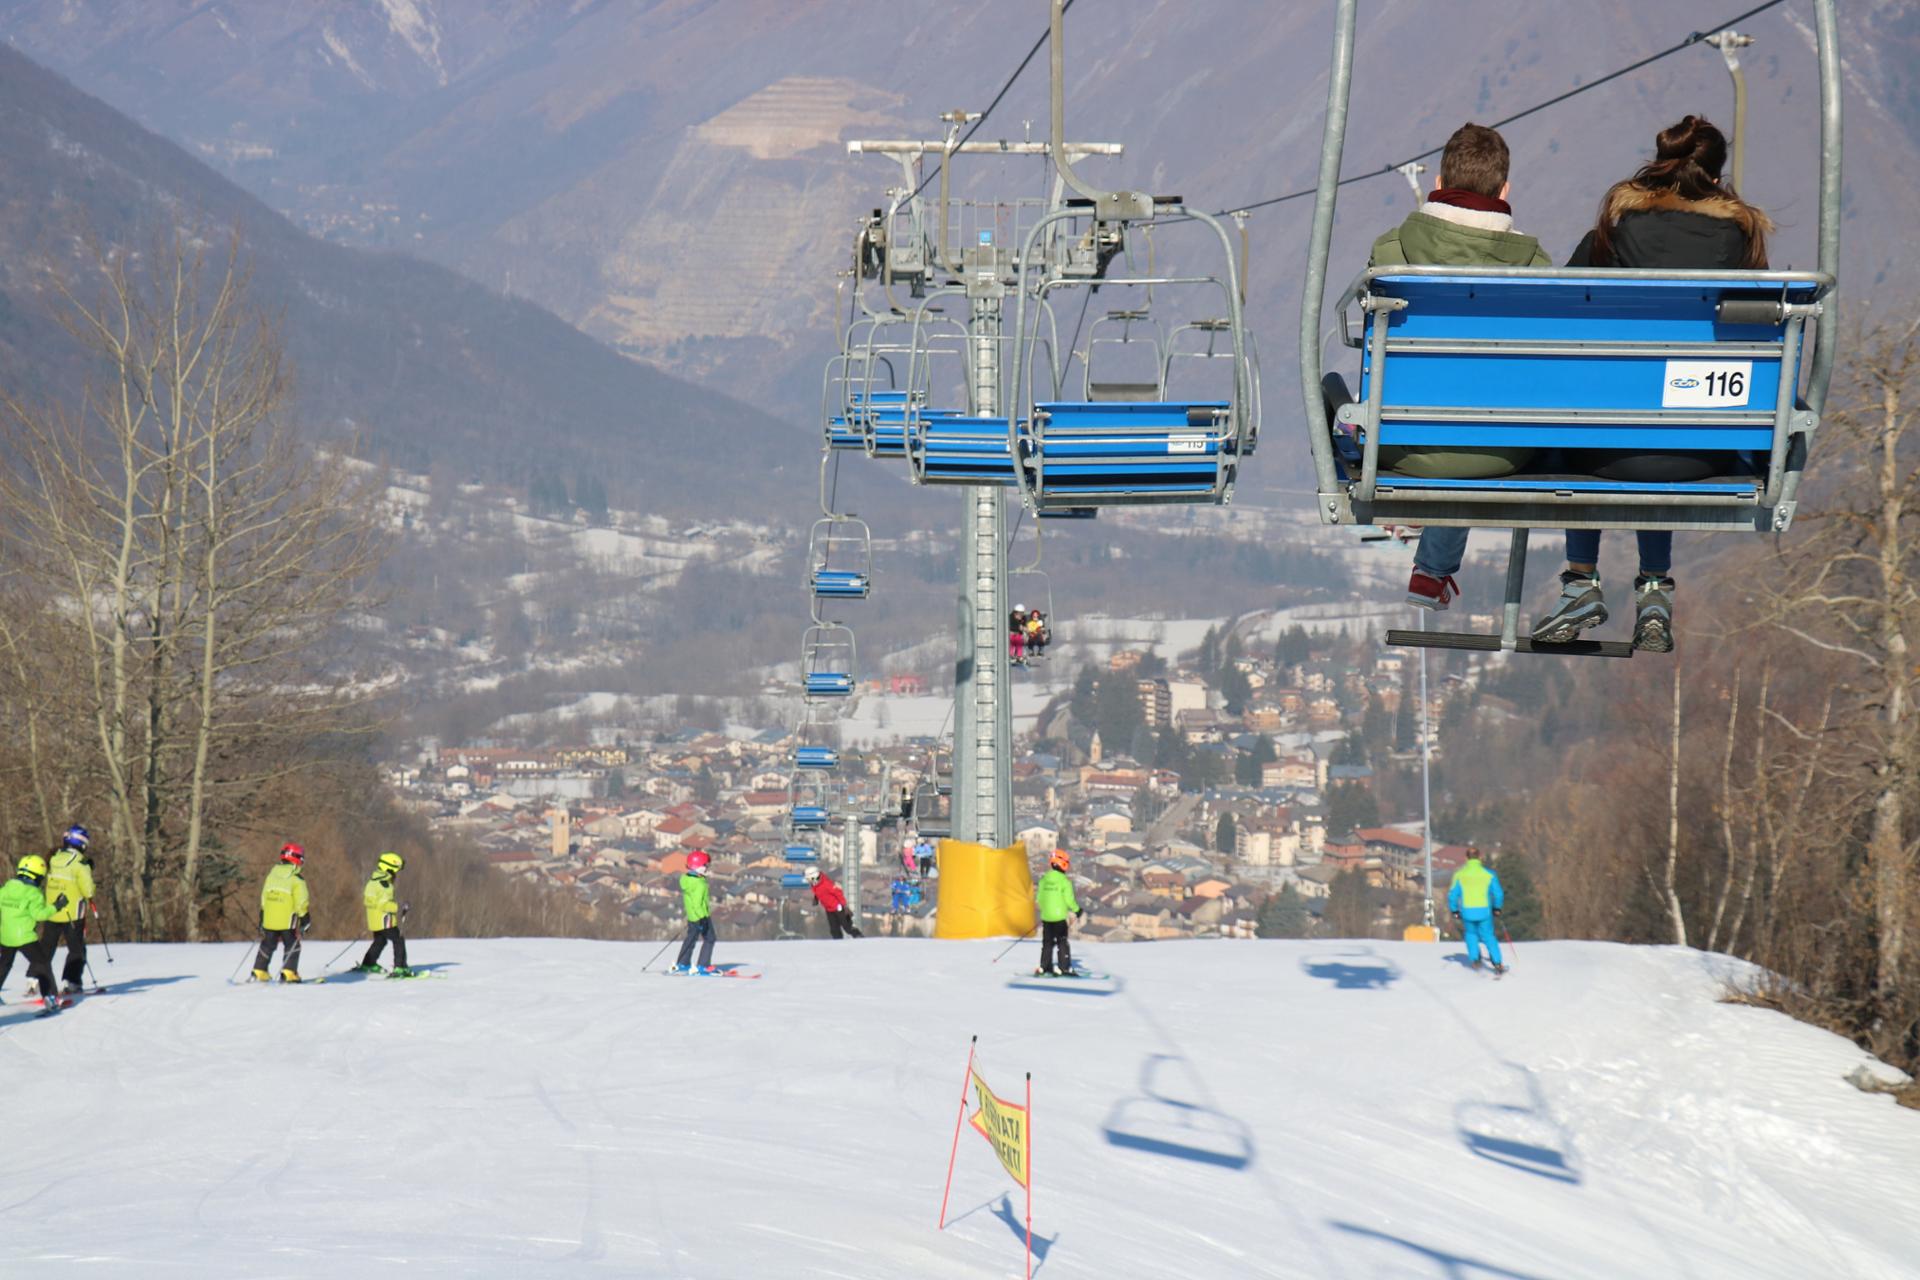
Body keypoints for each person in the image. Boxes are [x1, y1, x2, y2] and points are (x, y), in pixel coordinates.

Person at [1534, 115, 1771, 653]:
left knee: (1593, 417)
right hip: (1701, 454)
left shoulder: (1614, 232)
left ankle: (1581, 583)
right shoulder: (1738, 243)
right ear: (1716, 175)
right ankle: (1656, 588)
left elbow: (1558, 314)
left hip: (1604, 452)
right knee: (1671, 410)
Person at [1369, 124, 1554, 612]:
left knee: (1429, 412)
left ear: (1437, 184)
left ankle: (1431, 570)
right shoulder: (1536, 265)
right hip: (1506, 453)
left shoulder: (1391, 254)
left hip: (1406, 447)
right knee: (1477, 413)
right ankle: (1432, 572)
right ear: (1505, 191)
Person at [0, 855, 67, 1012]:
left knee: (4, 964)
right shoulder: (33, 893)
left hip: (6, 936)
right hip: (25, 938)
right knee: (42, 963)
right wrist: (57, 906)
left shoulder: (5, 889)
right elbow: (40, 915)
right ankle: (50, 997)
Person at [44, 824, 96, 995]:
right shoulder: (80, 864)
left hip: (51, 912)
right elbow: (88, 891)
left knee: (46, 948)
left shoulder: (52, 859)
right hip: (73, 914)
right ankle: (72, 980)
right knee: (77, 949)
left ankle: (36, 980)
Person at [253, 843, 312, 983]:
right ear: (297, 859)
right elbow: (301, 901)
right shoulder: (296, 879)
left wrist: (262, 914)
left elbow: (264, 896)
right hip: (287, 920)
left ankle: (259, 970)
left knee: (268, 943)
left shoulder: (271, 876)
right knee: (292, 944)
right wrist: (305, 917)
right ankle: (289, 971)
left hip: (270, 918)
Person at [1447, 847, 1506, 975]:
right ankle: (1497, 962)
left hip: (1467, 911)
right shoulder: (1489, 874)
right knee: (1489, 936)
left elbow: (1452, 895)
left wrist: (1454, 910)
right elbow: (1498, 893)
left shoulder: (1460, 875)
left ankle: (1475, 959)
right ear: (1480, 857)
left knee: (1471, 934)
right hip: (1484, 910)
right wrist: (1497, 907)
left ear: (1466, 858)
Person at [358, 852, 414, 977]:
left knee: (380, 941)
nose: (396, 874)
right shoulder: (385, 884)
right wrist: (399, 907)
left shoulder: (373, 882)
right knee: (398, 940)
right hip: (384, 920)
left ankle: (369, 963)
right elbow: (384, 905)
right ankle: (400, 967)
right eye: (396, 871)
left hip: (375, 920)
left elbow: (371, 901)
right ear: (390, 868)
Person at [1034, 851, 1084, 977]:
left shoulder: (1044, 880)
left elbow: (1039, 898)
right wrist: (1077, 910)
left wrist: (1047, 910)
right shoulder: (1064, 882)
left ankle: (1045, 967)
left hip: (1046, 917)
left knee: (1047, 943)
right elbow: (1069, 900)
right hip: (1059, 918)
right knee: (1062, 942)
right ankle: (1064, 967)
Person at [670, 850, 717, 974]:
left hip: (692, 917)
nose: (707, 868)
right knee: (710, 938)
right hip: (701, 917)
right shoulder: (699, 884)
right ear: (698, 867)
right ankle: (703, 965)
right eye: (705, 866)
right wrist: (703, 918)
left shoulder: (687, 880)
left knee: (691, 938)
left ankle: (682, 963)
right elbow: (697, 904)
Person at [805, 866, 863, 939]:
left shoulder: (826, 884)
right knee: (834, 930)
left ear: (814, 877)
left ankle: (859, 936)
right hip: (829, 910)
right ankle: (838, 943)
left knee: (847, 927)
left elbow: (838, 893)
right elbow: (819, 892)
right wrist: (816, 898)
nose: (809, 881)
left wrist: (844, 906)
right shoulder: (814, 885)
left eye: (810, 879)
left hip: (839, 908)